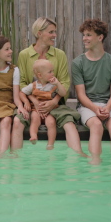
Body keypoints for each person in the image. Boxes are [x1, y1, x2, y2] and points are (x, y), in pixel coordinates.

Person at [13, 17, 86, 156]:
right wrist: (32, 101)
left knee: (69, 123)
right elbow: (22, 83)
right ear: (39, 33)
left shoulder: (60, 55)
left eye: (55, 32)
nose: (55, 35)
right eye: (51, 32)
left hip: (56, 103)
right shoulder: (24, 55)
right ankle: (14, 157)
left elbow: (65, 82)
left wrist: (53, 102)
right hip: (31, 105)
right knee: (17, 121)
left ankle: (79, 155)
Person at [72, 19, 111, 164]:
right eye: (84, 35)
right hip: (87, 106)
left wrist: (107, 108)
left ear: (100, 37)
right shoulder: (78, 63)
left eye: (88, 35)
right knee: (96, 126)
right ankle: (94, 163)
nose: (84, 38)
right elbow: (81, 95)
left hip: (109, 105)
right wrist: (95, 109)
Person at [20, 59, 67, 150]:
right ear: (40, 75)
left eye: (52, 71)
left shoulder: (53, 85)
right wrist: (26, 102)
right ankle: (33, 136)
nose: (53, 73)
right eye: (50, 72)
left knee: (51, 123)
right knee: (34, 119)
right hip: (36, 110)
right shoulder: (33, 85)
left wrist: (57, 83)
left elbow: (63, 93)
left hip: (50, 111)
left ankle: (50, 144)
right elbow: (21, 93)